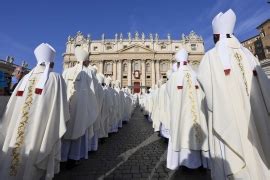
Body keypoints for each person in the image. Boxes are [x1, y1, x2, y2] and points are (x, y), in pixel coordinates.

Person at [198, 9, 270, 179]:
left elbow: (204, 88)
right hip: (258, 116)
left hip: (229, 120)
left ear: (216, 36)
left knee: (235, 155)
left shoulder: (211, 56)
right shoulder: (249, 55)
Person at [0, 43, 69, 180]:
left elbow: (10, 110)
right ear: (51, 60)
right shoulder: (56, 78)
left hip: (17, 130)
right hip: (41, 127)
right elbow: (62, 108)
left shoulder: (25, 79)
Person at [166, 48, 209, 170]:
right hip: (198, 115)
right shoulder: (196, 75)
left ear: (178, 63)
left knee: (181, 132)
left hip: (181, 114)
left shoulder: (174, 77)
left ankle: (182, 161)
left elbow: (169, 95)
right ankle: (201, 161)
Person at [61, 46, 98, 167]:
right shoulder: (89, 73)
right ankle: (74, 157)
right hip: (81, 108)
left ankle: (62, 157)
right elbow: (94, 92)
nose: (89, 61)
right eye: (89, 59)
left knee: (65, 129)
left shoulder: (67, 72)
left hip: (67, 105)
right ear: (86, 60)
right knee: (79, 129)